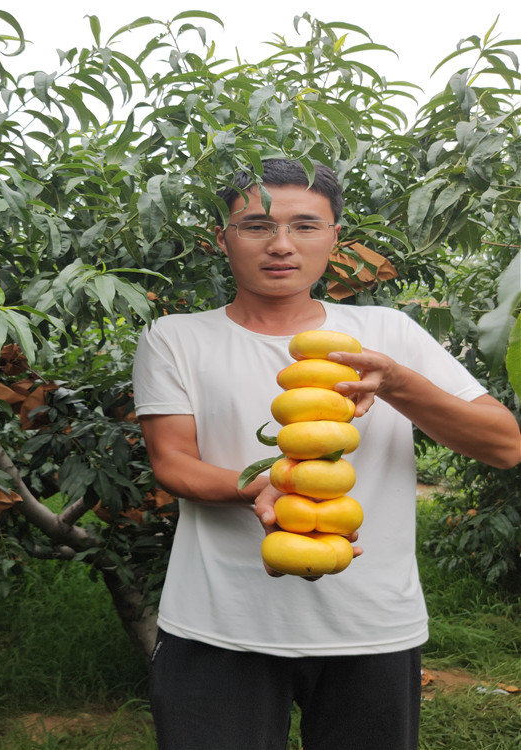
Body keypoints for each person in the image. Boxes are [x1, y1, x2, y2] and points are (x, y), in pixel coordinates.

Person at [131, 158, 521, 750]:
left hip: (369, 625)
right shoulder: (176, 337)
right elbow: (172, 462)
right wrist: (258, 487)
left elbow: (504, 444)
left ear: (335, 238)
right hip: (218, 622)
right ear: (223, 238)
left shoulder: (385, 334)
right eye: (257, 226)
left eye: (306, 226)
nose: (281, 244)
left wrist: (394, 382)